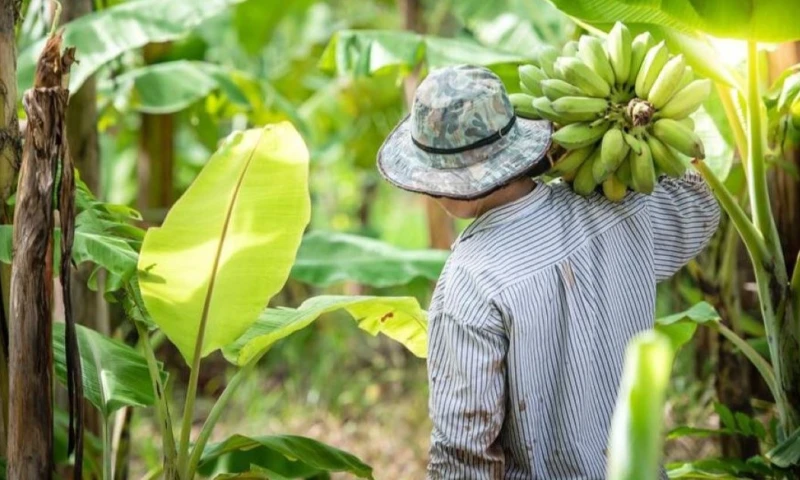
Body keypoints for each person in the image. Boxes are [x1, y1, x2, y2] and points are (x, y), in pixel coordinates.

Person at [376, 64, 720, 479]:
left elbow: (464, 452)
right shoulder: (617, 209)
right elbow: (702, 206)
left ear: (440, 180)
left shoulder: (469, 282)